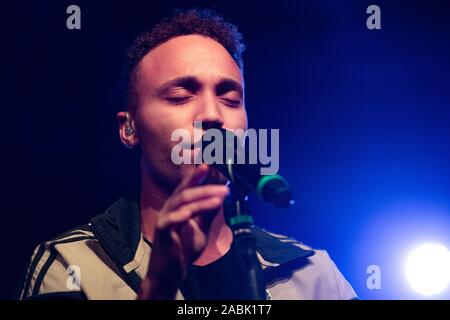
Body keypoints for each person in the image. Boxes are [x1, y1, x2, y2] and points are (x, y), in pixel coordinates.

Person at [14, 9, 357, 300]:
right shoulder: (71, 264)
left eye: (230, 98)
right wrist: (158, 290)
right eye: (180, 96)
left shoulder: (313, 275)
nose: (212, 115)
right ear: (129, 128)